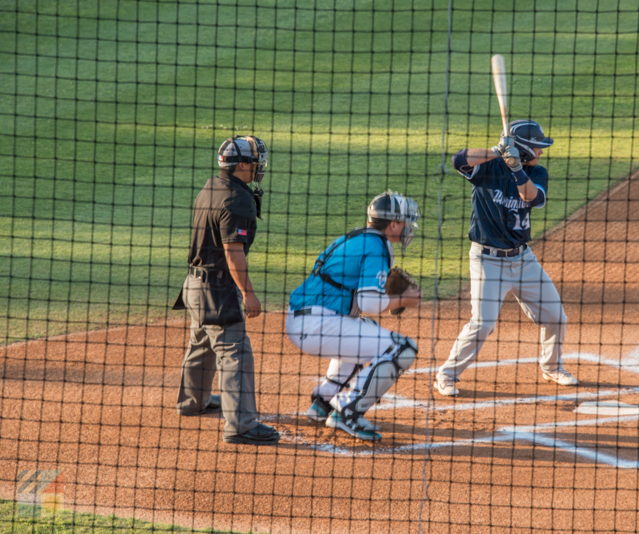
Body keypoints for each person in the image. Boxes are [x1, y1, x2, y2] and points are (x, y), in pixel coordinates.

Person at [434, 120, 578, 397]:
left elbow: (532, 198)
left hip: (523, 260)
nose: (542, 151)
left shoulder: (538, 173)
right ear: (524, 148)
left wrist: (516, 169)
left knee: (556, 316)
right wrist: (495, 151)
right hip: (487, 260)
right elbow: (458, 160)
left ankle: (552, 367)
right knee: (483, 323)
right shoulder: (488, 169)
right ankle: (447, 374)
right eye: (538, 147)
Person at [285, 192, 422, 441]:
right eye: (405, 222)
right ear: (393, 224)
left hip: (307, 319)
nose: (408, 228)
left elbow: (360, 300)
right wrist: (404, 300)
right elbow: (368, 302)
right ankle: (347, 411)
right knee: (403, 349)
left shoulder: (358, 238)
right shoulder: (376, 246)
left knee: (364, 329)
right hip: (316, 325)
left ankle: (324, 401)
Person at [174, 135, 279, 445]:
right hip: (217, 288)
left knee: (201, 343)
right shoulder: (237, 199)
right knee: (235, 352)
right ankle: (241, 425)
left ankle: (193, 401)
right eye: (255, 161)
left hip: (193, 284)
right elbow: (234, 252)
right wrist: (248, 293)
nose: (260, 166)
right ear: (243, 165)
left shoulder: (211, 187)